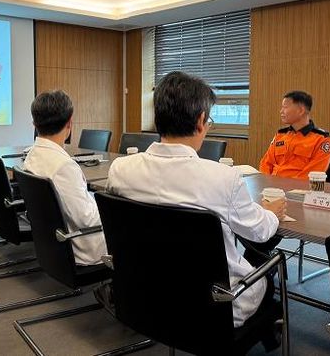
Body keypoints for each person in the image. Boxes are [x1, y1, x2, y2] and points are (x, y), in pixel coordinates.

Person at [107, 71, 286, 327]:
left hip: (148, 289)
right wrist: (271, 212)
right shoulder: (223, 178)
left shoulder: (120, 170)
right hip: (216, 303)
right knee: (265, 267)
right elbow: (259, 232)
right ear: (201, 120)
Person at [23, 90, 106, 265]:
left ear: (34, 124)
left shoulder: (32, 155)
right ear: (69, 123)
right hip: (83, 248)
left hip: (54, 242)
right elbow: (87, 219)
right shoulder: (64, 166)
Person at [259, 90, 330, 180]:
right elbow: (266, 164)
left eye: (285, 107)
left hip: (297, 187)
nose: (281, 111)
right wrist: (265, 182)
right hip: (272, 185)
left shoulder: (322, 139)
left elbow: (313, 173)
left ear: (301, 110)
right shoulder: (280, 135)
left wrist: (284, 185)